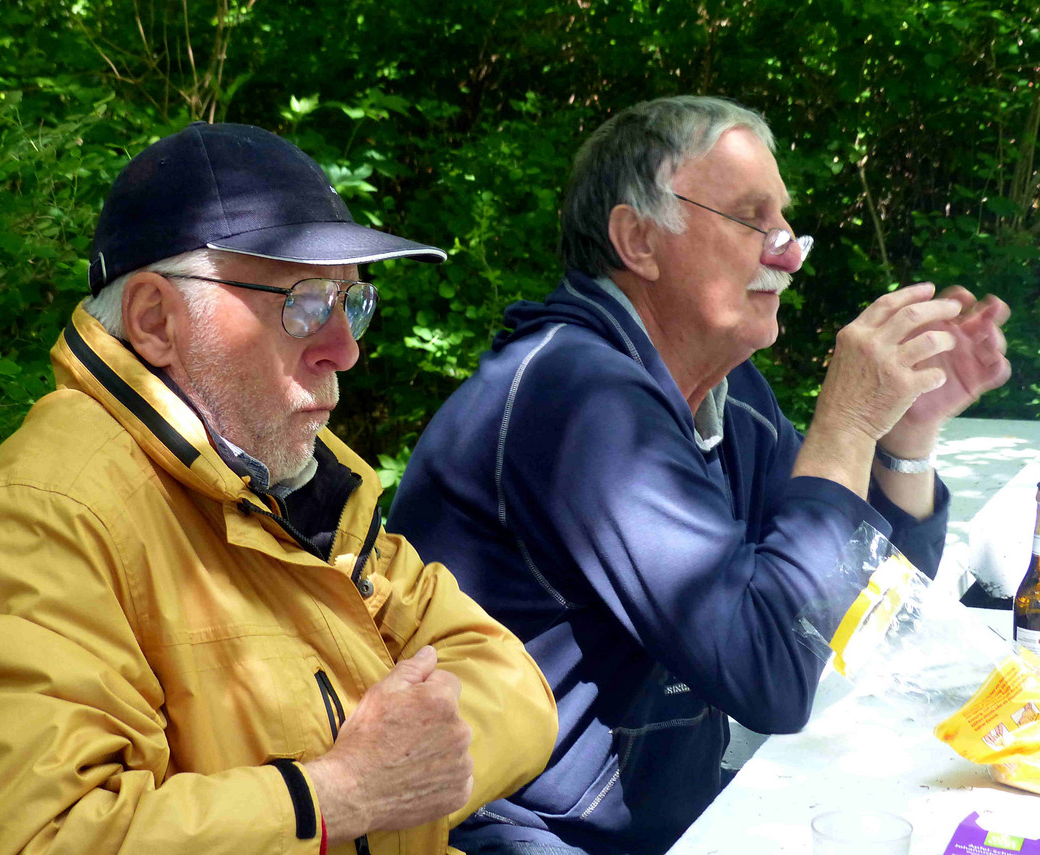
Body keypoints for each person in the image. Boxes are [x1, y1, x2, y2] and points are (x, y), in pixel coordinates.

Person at [0, 122, 557, 855]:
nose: (345, 349)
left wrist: (409, 767)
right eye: (305, 302)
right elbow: (33, 839)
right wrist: (340, 793)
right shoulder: (39, 519)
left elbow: (511, 681)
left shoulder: (303, 482)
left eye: (353, 302)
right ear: (156, 320)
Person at [387, 96, 1012, 855]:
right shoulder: (576, 400)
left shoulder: (730, 394)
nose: (789, 253)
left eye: (788, 225)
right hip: (513, 834)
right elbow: (771, 675)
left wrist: (903, 438)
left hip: (669, 820)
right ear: (638, 240)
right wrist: (846, 425)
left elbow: (865, 607)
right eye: (753, 220)